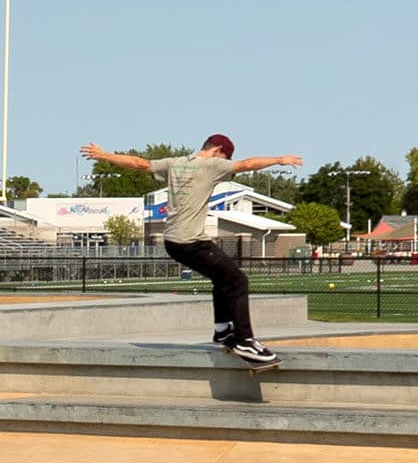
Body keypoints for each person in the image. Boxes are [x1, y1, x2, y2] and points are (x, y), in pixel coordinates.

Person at [81, 135, 302, 365]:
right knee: (238, 280)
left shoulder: (174, 163)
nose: (227, 167)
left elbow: (140, 164)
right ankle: (244, 341)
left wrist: (103, 155)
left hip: (173, 241)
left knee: (221, 277)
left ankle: (223, 330)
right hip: (190, 241)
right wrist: (279, 159)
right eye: (226, 159)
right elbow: (245, 165)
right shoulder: (212, 165)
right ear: (218, 151)